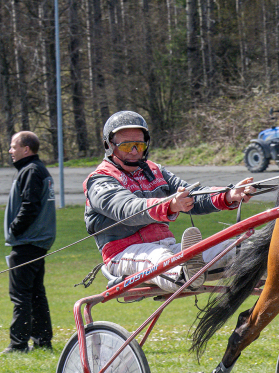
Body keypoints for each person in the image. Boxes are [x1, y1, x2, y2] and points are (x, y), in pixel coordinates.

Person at [84, 111, 257, 293]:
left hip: (170, 248)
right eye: (127, 146)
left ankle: (259, 263)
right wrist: (171, 205)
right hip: (125, 254)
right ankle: (187, 273)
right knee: (159, 257)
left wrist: (229, 195)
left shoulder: (154, 170)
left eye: (139, 145)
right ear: (109, 145)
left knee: (241, 248)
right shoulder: (100, 180)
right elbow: (128, 209)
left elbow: (192, 195)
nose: (134, 152)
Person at [3, 131, 57, 354]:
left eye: (14, 146)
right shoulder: (37, 169)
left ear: (26, 149)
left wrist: (14, 228)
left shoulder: (31, 171)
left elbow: (30, 205)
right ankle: (43, 341)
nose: (10, 151)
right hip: (37, 242)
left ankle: (18, 344)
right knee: (35, 293)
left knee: (20, 295)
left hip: (27, 241)